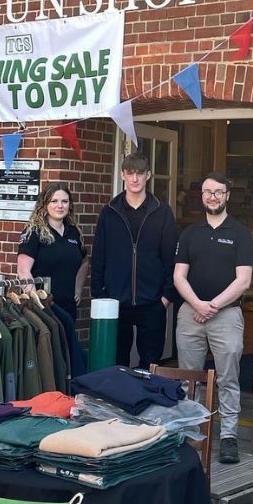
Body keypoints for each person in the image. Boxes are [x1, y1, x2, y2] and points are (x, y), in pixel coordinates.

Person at [173, 172, 253, 464]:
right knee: (189, 378)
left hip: (227, 315)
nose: (212, 197)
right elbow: (179, 276)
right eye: (208, 192)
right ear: (202, 196)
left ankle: (229, 437)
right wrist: (197, 303)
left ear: (227, 195)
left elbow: (243, 280)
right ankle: (190, 433)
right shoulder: (190, 233)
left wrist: (213, 305)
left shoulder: (240, 233)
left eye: (218, 192)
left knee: (228, 378)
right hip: (190, 314)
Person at [90, 150, 178, 368]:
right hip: (115, 301)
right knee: (116, 363)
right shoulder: (109, 212)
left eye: (140, 173)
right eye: (131, 173)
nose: (135, 178)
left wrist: (166, 298)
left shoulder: (162, 212)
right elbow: (99, 256)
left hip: (153, 302)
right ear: (123, 175)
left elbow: (170, 258)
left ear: (148, 175)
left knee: (151, 365)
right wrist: (100, 295)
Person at [17, 184, 89, 321]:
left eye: (64, 201)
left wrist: (78, 289)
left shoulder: (73, 232)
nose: (60, 206)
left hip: (67, 307)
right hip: (43, 308)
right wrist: (36, 302)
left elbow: (85, 261)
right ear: (44, 205)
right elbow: (23, 271)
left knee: (66, 342)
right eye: (54, 201)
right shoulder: (33, 232)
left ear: (70, 205)